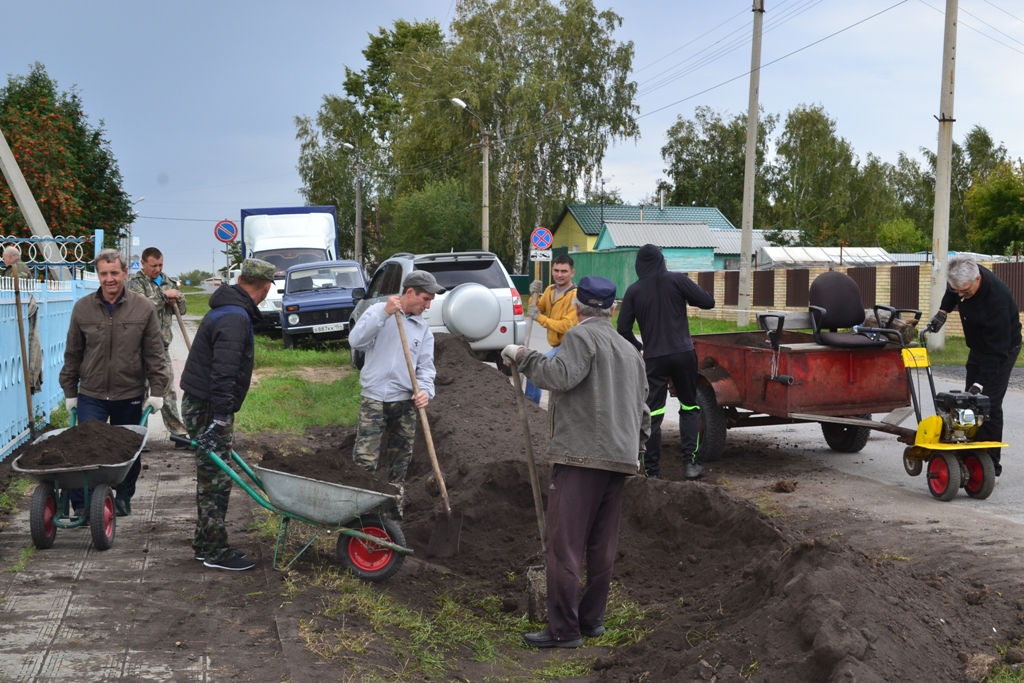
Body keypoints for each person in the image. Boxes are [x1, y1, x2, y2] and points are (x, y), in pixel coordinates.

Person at [502, 275, 650, 649]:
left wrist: (522, 356)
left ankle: (563, 631)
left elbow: (558, 375)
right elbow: (644, 411)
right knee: (601, 544)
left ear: (575, 307)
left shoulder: (581, 337)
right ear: (612, 309)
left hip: (581, 456)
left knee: (563, 545)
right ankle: (591, 620)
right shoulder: (630, 350)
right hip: (620, 459)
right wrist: (636, 450)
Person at [178, 258, 275, 571]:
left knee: (212, 476)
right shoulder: (234, 317)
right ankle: (215, 552)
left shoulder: (229, 309)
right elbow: (223, 372)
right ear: (265, 286)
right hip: (208, 406)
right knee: (216, 480)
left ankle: (205, 543)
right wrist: (220, 418)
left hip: (204, 403)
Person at [59, 248, 167, 517]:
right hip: (92, 393)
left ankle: (122, 498)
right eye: (104, 273)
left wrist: (157, 391)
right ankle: (83, 504)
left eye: (114, 273)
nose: (109, 279)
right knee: (82, 449)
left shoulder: (143, 307)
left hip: (128, 392)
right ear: (98, 275)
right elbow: (73, 353)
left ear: (125, 273)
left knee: (127, 452)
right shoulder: (83, 308)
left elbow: (155, 352)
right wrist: (71, 391)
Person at [616, 244, 715, 480]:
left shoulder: (633, 291)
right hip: (683, 354)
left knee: (654, 414)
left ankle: (652, 472)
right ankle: (690, 465)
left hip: (654, 358)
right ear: (662, 260)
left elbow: (622, 329)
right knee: (690, 406)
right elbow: (708, 302)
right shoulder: (677, 280)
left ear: (639, 265)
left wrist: (639, 347)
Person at [349, 271, 443, 508]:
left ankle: (392, 512)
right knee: (365, 459)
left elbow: (426, 369)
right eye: (425, 299)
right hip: (374, 398)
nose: (428, 305)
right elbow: (356, 341)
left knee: (400, 462)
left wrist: (425, 391)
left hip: (404, 403)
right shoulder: (378, 312)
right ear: (410, 292)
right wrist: (384, 314)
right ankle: (358, 509)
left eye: (431, 300)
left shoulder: (423, 330)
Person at [928, 254, 1021, 477]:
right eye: (957, 291)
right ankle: (969, 454)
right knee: (969, 401)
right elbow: (953, 291)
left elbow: (996, 353)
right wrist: (943, 311)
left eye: (965, 292)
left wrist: (980, 384)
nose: (961, 296)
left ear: (978, 279)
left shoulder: (996, 302)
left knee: (987, 403)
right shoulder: (963, 275)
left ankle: (990, 464)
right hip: (978, 347)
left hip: (1002, 350)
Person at [127, 247, 190, 447]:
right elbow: (140, 305)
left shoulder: (169, 282)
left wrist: (177, 298)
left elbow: (184, 309)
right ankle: (139, 436)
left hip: (161, 347)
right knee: (140, 391)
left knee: (167, 389)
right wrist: (164, 297)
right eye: (153, 265)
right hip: (138, 347)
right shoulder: (134, 283)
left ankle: (178, 433)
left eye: (160, 265)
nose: (157, 269)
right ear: (144, 264)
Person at [523, 254, 578, 404]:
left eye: (564, 271)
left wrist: (539, 318)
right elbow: (537, 308)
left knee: (536, 367)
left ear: (572, 273)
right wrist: (532, 295)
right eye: (556, 270)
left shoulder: (575, 295)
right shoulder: (550, 290)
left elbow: (566, 326)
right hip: (557, 345)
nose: (559, 275)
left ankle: (531, 407)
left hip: (570, 344)